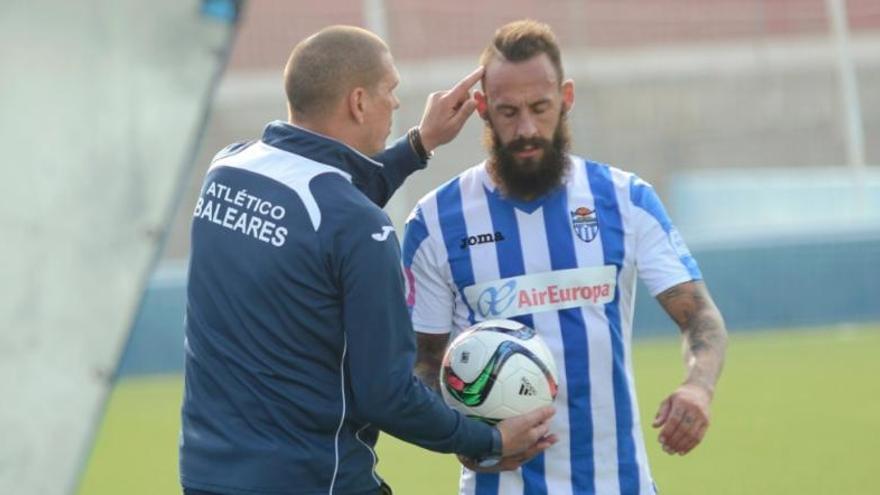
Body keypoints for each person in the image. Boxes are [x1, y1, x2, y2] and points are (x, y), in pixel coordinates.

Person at [179, 25, 557, 495]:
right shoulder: (361, 228)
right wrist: (489, 438)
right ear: (358, 103)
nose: (397, 104)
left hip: (206, 478)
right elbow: (388, 395)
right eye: (390, 90)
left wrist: (420, 144)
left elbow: (320, 206)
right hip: (315, 481)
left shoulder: (228, 169)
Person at [403, 20, 728, 495]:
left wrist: (699, 387)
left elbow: (699, 315)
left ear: (566, 98)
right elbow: (422, 364)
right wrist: (466, 436)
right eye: (508, 112)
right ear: (482, 109)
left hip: (619, 483)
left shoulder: (624, 199)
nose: (527, 128)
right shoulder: (435, 221)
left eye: (540, 107)